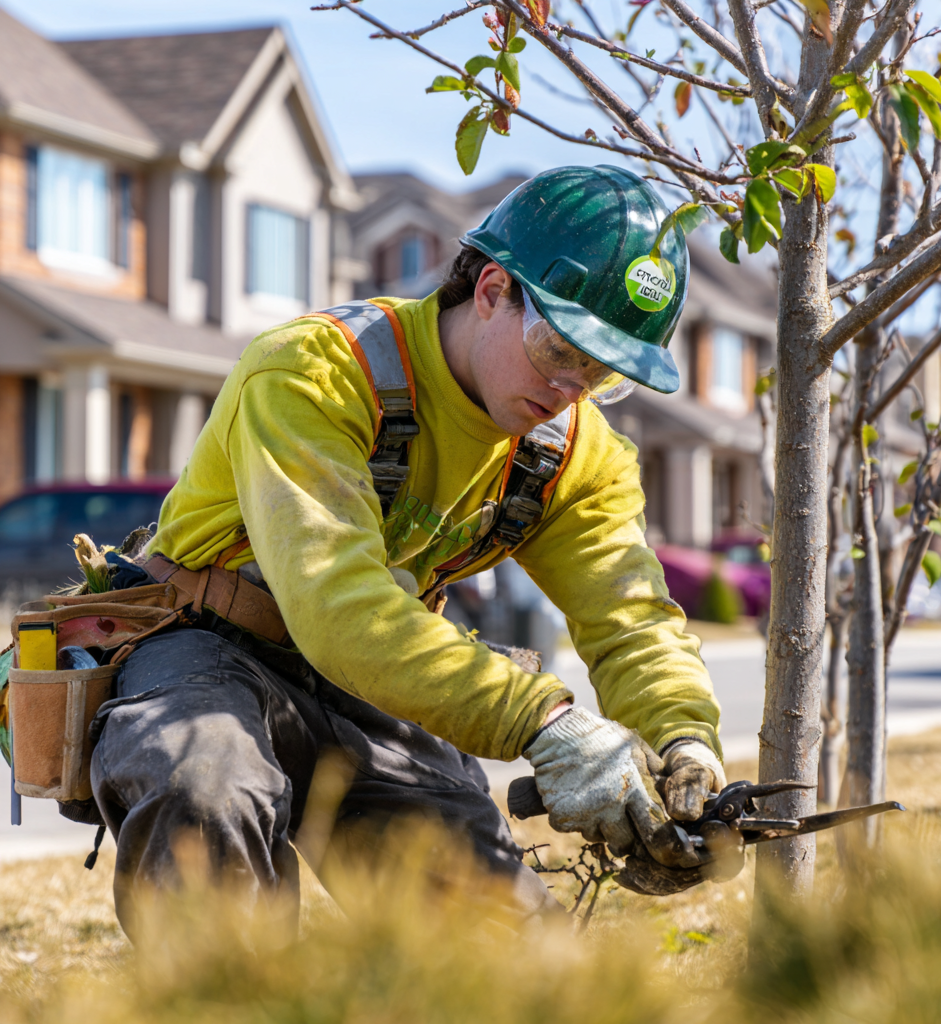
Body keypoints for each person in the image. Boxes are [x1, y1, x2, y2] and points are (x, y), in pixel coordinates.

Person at [89, 164, 726, 934]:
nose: (572, 391)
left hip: (371, 682)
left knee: (512, 951)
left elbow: (632, 621)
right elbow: (338, 606)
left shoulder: (574, 456)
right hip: (205, 643)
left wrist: (685, 741)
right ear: (492, 290)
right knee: (205, 784)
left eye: (603, 374)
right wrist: (545, 722)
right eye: (562, 351)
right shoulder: (315, 372)